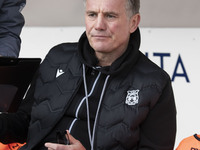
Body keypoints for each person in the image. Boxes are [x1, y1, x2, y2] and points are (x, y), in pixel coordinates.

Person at [0, 0, 177, 149]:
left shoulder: (154, 83)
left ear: (133, 22)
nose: (98, 25)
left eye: (110, 16)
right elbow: (23, 122)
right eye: (92, 14)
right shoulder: (58, 56)